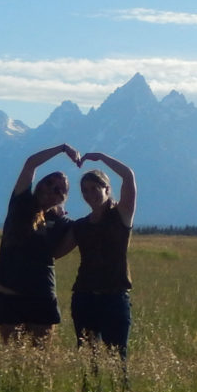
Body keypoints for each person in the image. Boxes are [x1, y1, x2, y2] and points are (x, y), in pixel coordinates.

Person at [0, 143, 81, 343]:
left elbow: (64, 248)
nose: (51, 189)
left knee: (39, 359)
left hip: (41, 295)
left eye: (58, 190)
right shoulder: (21, 202)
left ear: (62, 199)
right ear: (40, 182)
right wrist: (63, 149)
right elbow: (30, 164)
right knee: (12, 358)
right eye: (49, 182)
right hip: (9, 293)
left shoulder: (63, 223)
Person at [63, 150, 136, 356]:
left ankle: (121, 391)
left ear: (107, 189)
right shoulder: (80, 226)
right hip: (84, 297)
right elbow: (57, 252)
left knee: (117, 360)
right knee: (87, 359)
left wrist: (102, 157)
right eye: (85, 190)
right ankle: (89, 389)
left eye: (94, 188)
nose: (90, 194)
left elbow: (128, 176)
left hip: (114, 297)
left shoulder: (121, 215)